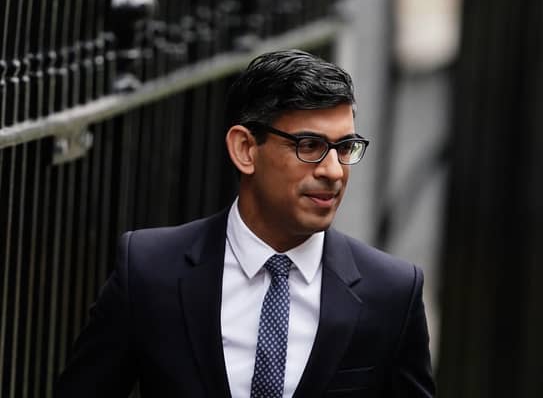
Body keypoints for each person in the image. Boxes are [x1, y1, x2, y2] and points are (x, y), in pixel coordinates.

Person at [56, 49, 435, 397]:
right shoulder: (148, 269)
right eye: (309, 146)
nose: (333, 171)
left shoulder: (392, 293)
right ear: (245, 149)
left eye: (345, 147)